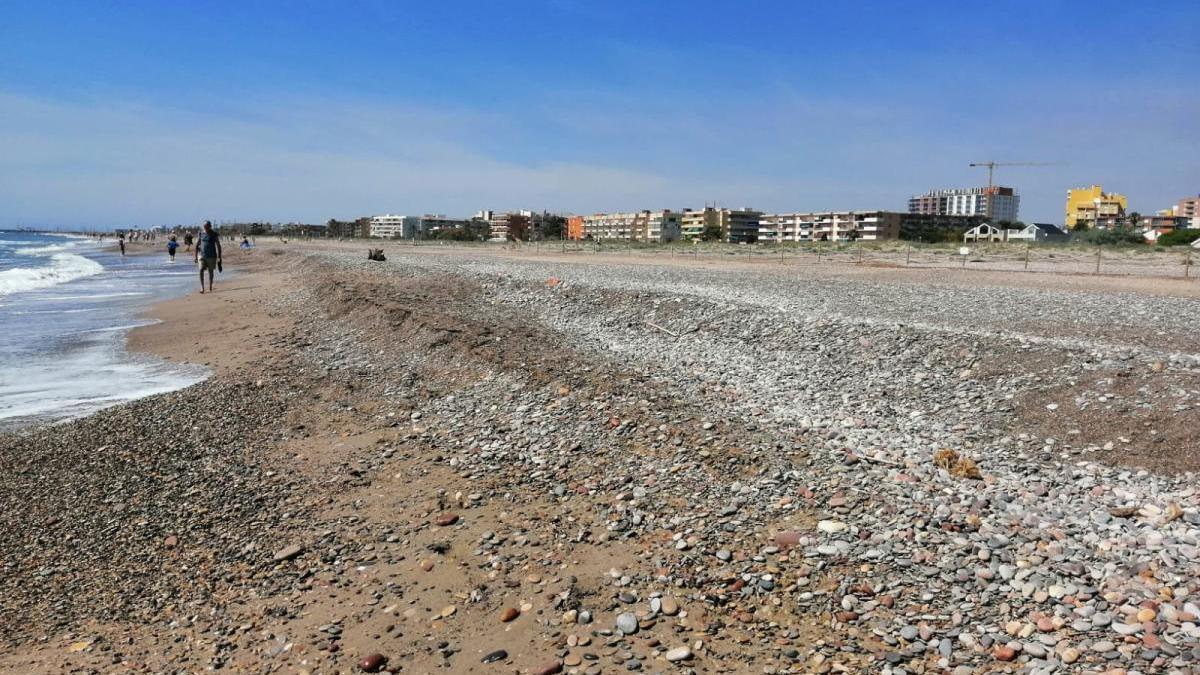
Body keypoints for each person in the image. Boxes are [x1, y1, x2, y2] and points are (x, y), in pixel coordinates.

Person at [194, 221, 222, 293]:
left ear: (210, 226)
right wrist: (195, 257)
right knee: (200, 270)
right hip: (202, 255)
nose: (205, 228)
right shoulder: (201, 234)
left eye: (207, 227)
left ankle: (210, 286)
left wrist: (219, 257)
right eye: (204, 227)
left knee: (211, 272)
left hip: (212, 256)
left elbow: (218, 246)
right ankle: (202, 287)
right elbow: (197, 245)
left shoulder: (214, 234)